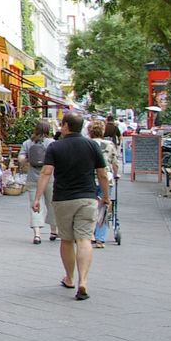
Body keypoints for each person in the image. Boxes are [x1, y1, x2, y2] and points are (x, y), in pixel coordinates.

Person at [33, 112, 110, 301]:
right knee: (84, 240)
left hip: (63, 199)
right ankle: (83, 280)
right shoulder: (92, 145)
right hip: (87, 198)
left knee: (67, 240)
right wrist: (106, 196)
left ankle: (69, 278)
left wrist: (37, 198)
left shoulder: (55, 146)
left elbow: (46, 172)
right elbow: (102, 174)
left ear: (66, 126)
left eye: (62, 123)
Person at [21, 121, 56, 244]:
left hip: (33, 178)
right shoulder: (52, 143)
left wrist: (28, 159)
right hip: (50, 178)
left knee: (35, 204)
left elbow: (21, 159)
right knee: (52, 204)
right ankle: (53, 231)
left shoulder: (28, 143)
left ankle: (37, 234)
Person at [88, 120, 121, 248]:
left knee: (89, 206)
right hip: (106, 179)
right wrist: (116, 174)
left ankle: (89, 234)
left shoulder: (86, 144)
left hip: (89, 179)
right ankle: (100, 239)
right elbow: (115, 163)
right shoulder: (109, 145)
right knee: (103, 207)